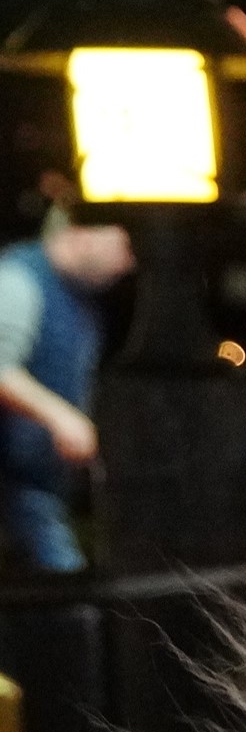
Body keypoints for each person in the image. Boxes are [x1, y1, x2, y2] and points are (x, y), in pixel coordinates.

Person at [0, 201, 135, 576]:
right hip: (14, 486)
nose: (128, 262)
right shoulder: (17, 281)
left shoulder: (82, 300)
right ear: (82, 234)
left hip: (40, 486)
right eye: (124, 246)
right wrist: (60, 417)